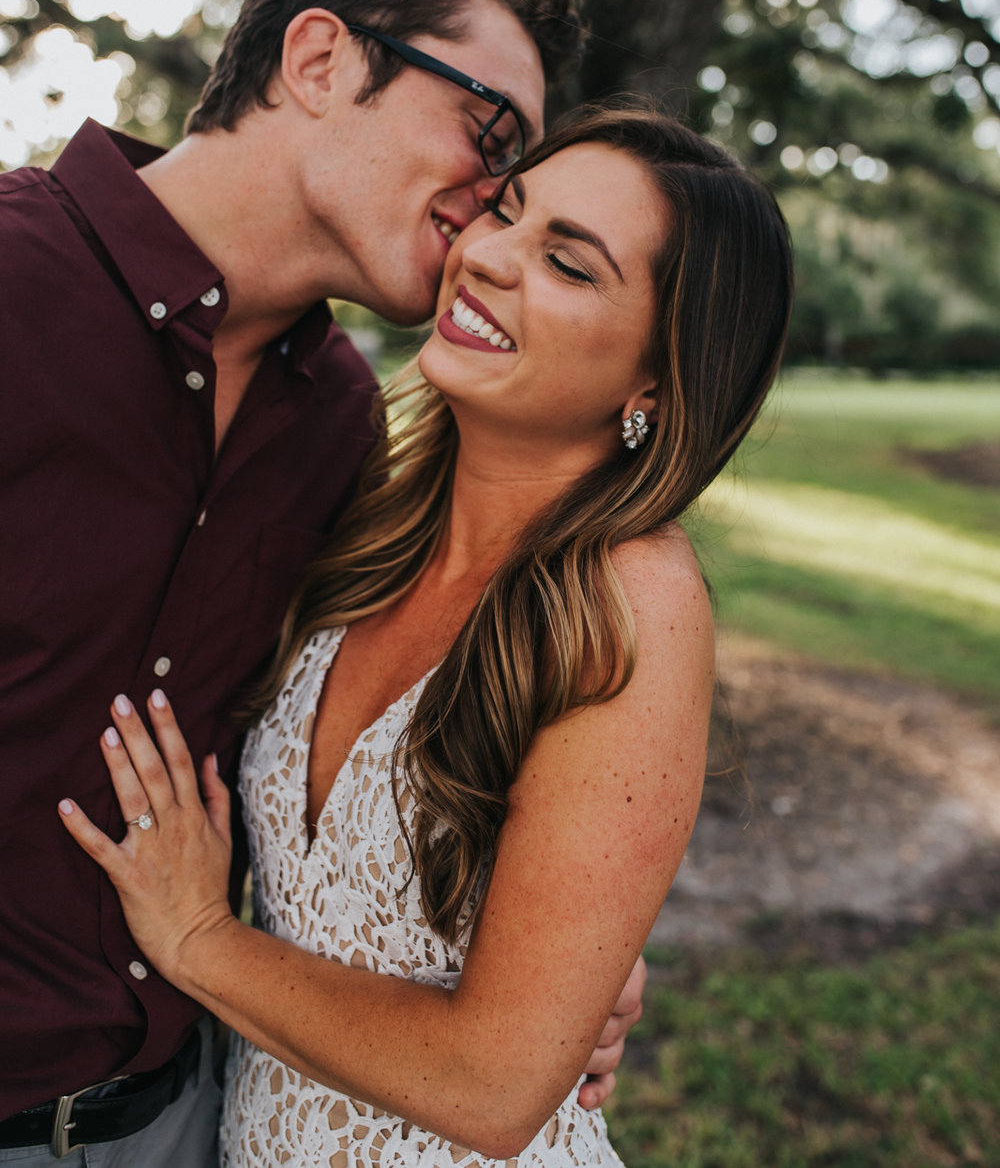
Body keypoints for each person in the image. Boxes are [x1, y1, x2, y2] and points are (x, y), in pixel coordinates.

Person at [0, 0, 644, 1167]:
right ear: (320, 61)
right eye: (489, 136)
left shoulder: (346, 419)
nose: (489, 211)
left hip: (188, 1116)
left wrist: (559, 960)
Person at [60, 104, 794, 1166]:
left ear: (656, 380)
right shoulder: (372, 511)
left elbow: (495, 1086)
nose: (487, 257)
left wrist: (200, 940)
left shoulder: (628, 598)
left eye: (569, 266)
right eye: (504, 209)